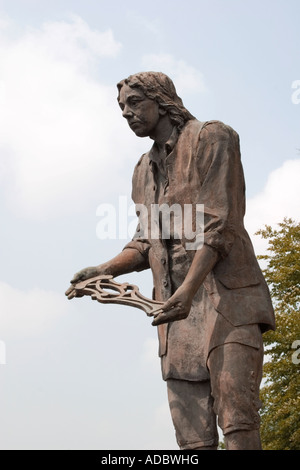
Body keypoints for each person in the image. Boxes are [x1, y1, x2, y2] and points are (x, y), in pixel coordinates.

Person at [66, 72, 275, 450]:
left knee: (238, 418)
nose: (126, 114)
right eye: (121, 108)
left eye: (134, 103)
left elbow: (219, 225)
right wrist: (103, 269)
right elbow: (147, 243)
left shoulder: (212, 137)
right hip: (175, 317)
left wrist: (189, 289)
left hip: (228, 304)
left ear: (161, 101)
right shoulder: (142, 171)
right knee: (191, 439)